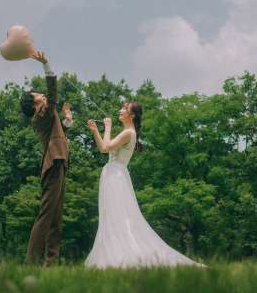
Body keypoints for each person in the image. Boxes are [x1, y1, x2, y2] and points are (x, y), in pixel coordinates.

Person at [84, 101, 202, 268]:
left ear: (132, 115)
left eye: (125, 109)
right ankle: (114, 251)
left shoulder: (127, 133)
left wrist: (106, 127)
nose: (121, 110)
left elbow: (105, 148)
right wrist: (97, 131)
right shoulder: (128, 133)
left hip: (115, 176)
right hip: (114, 175)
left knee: (118, 216)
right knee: (112, 215)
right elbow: (106, 148)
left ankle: (121, 253)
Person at [19, 51, 73, 265]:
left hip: (59, 161)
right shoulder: (40, 114)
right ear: (34, 104)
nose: (42, 95)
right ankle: (30, 262)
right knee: (46, 216)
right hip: (53, 165)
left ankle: (51, 264)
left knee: (56, 219)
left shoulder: (46, 115)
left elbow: (58, 135)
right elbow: (52, 95)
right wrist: (46, 65)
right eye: (38, 95)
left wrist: (67, 122)